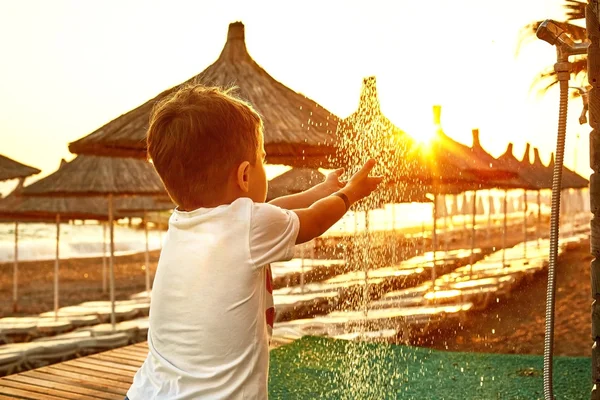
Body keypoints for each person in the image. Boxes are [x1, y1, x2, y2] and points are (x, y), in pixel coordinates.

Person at [126, 84, 382, 399]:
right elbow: (312, 219)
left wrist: (324, 188)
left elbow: (275, 209)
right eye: (264, 160)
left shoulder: (183, 224)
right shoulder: (251, 226)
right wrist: (349, 194)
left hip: (148, 391)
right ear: (245, 176)